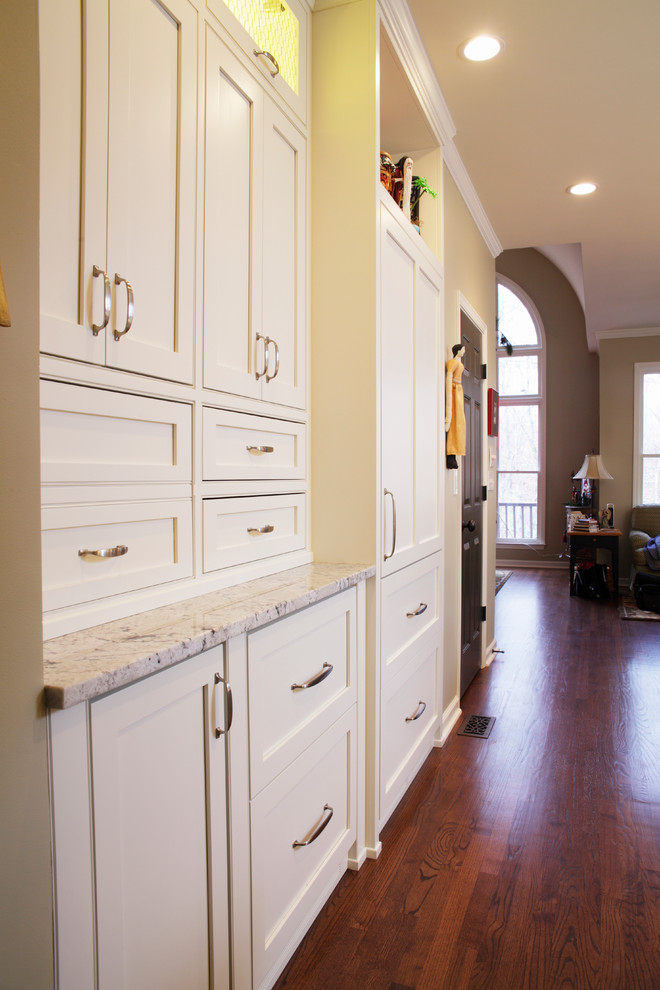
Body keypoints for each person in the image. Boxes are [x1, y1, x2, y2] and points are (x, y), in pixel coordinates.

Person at [445, 343, 466, 469]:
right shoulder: (452, 363)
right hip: (453, 391)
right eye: (462, 350)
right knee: (455, 422)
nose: (463, 352)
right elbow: (449, 379)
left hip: (458, 392)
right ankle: (451, 452)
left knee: (460, 423)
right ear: (457, 351)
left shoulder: (459, 363)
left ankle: (456, 451)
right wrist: (448, 415)